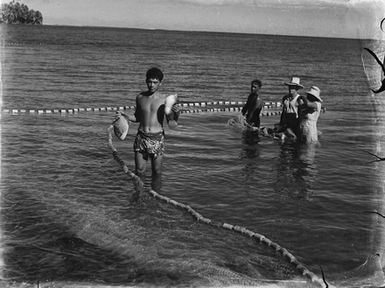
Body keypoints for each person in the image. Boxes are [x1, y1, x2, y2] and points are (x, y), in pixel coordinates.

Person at [118, 67, 180, 200]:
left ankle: (156, 198)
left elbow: (172, 123)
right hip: (141, 137)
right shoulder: (140, 97)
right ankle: (138, 196)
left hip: (157, 138)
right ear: (146, 81)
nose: (151, 85)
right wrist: (125, 116)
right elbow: (138, 118)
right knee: (139, 171)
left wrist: (176, 113)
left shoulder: (165, 100)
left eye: (155, 82)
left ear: (160, 83)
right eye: (149, 82)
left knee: (156, 172)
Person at [278, 76, 304, 141]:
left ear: (297, 89)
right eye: (290, 87)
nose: (290, 89)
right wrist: (281, 123)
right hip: (286, 122)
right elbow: (284, 111)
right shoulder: (285, 98)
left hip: (295, 123)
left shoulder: (299, 99)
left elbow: (301, 114)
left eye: (293, 88)